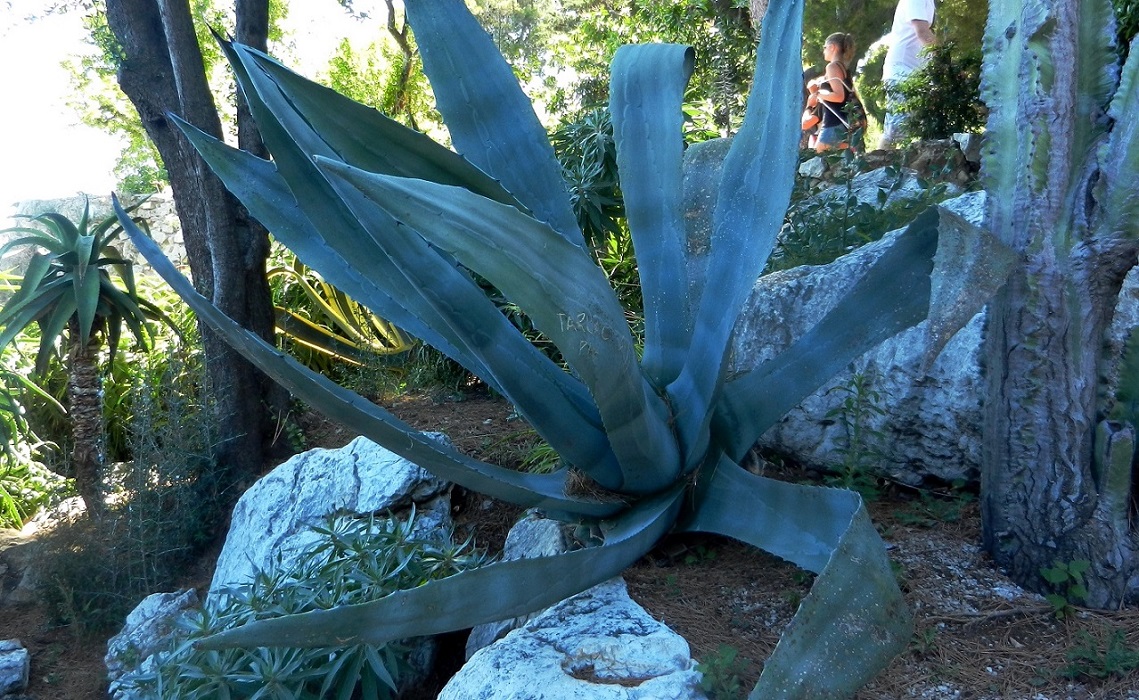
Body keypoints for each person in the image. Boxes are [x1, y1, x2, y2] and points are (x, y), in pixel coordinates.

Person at [879, 0, 936, 149]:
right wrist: (945, 61)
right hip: (901, 72)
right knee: (894, 132)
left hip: (915, 73)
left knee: (910, 130)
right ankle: (877, 170)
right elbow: (923, 33)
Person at [805, 33, 858, 153]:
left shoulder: (832, 67)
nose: (823, 50)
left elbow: (839, 96)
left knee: (817, 162)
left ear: (832, 47)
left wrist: (818, 94)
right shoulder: (843, 68)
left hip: (832, 125)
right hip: (842, 124)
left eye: (825, 47)